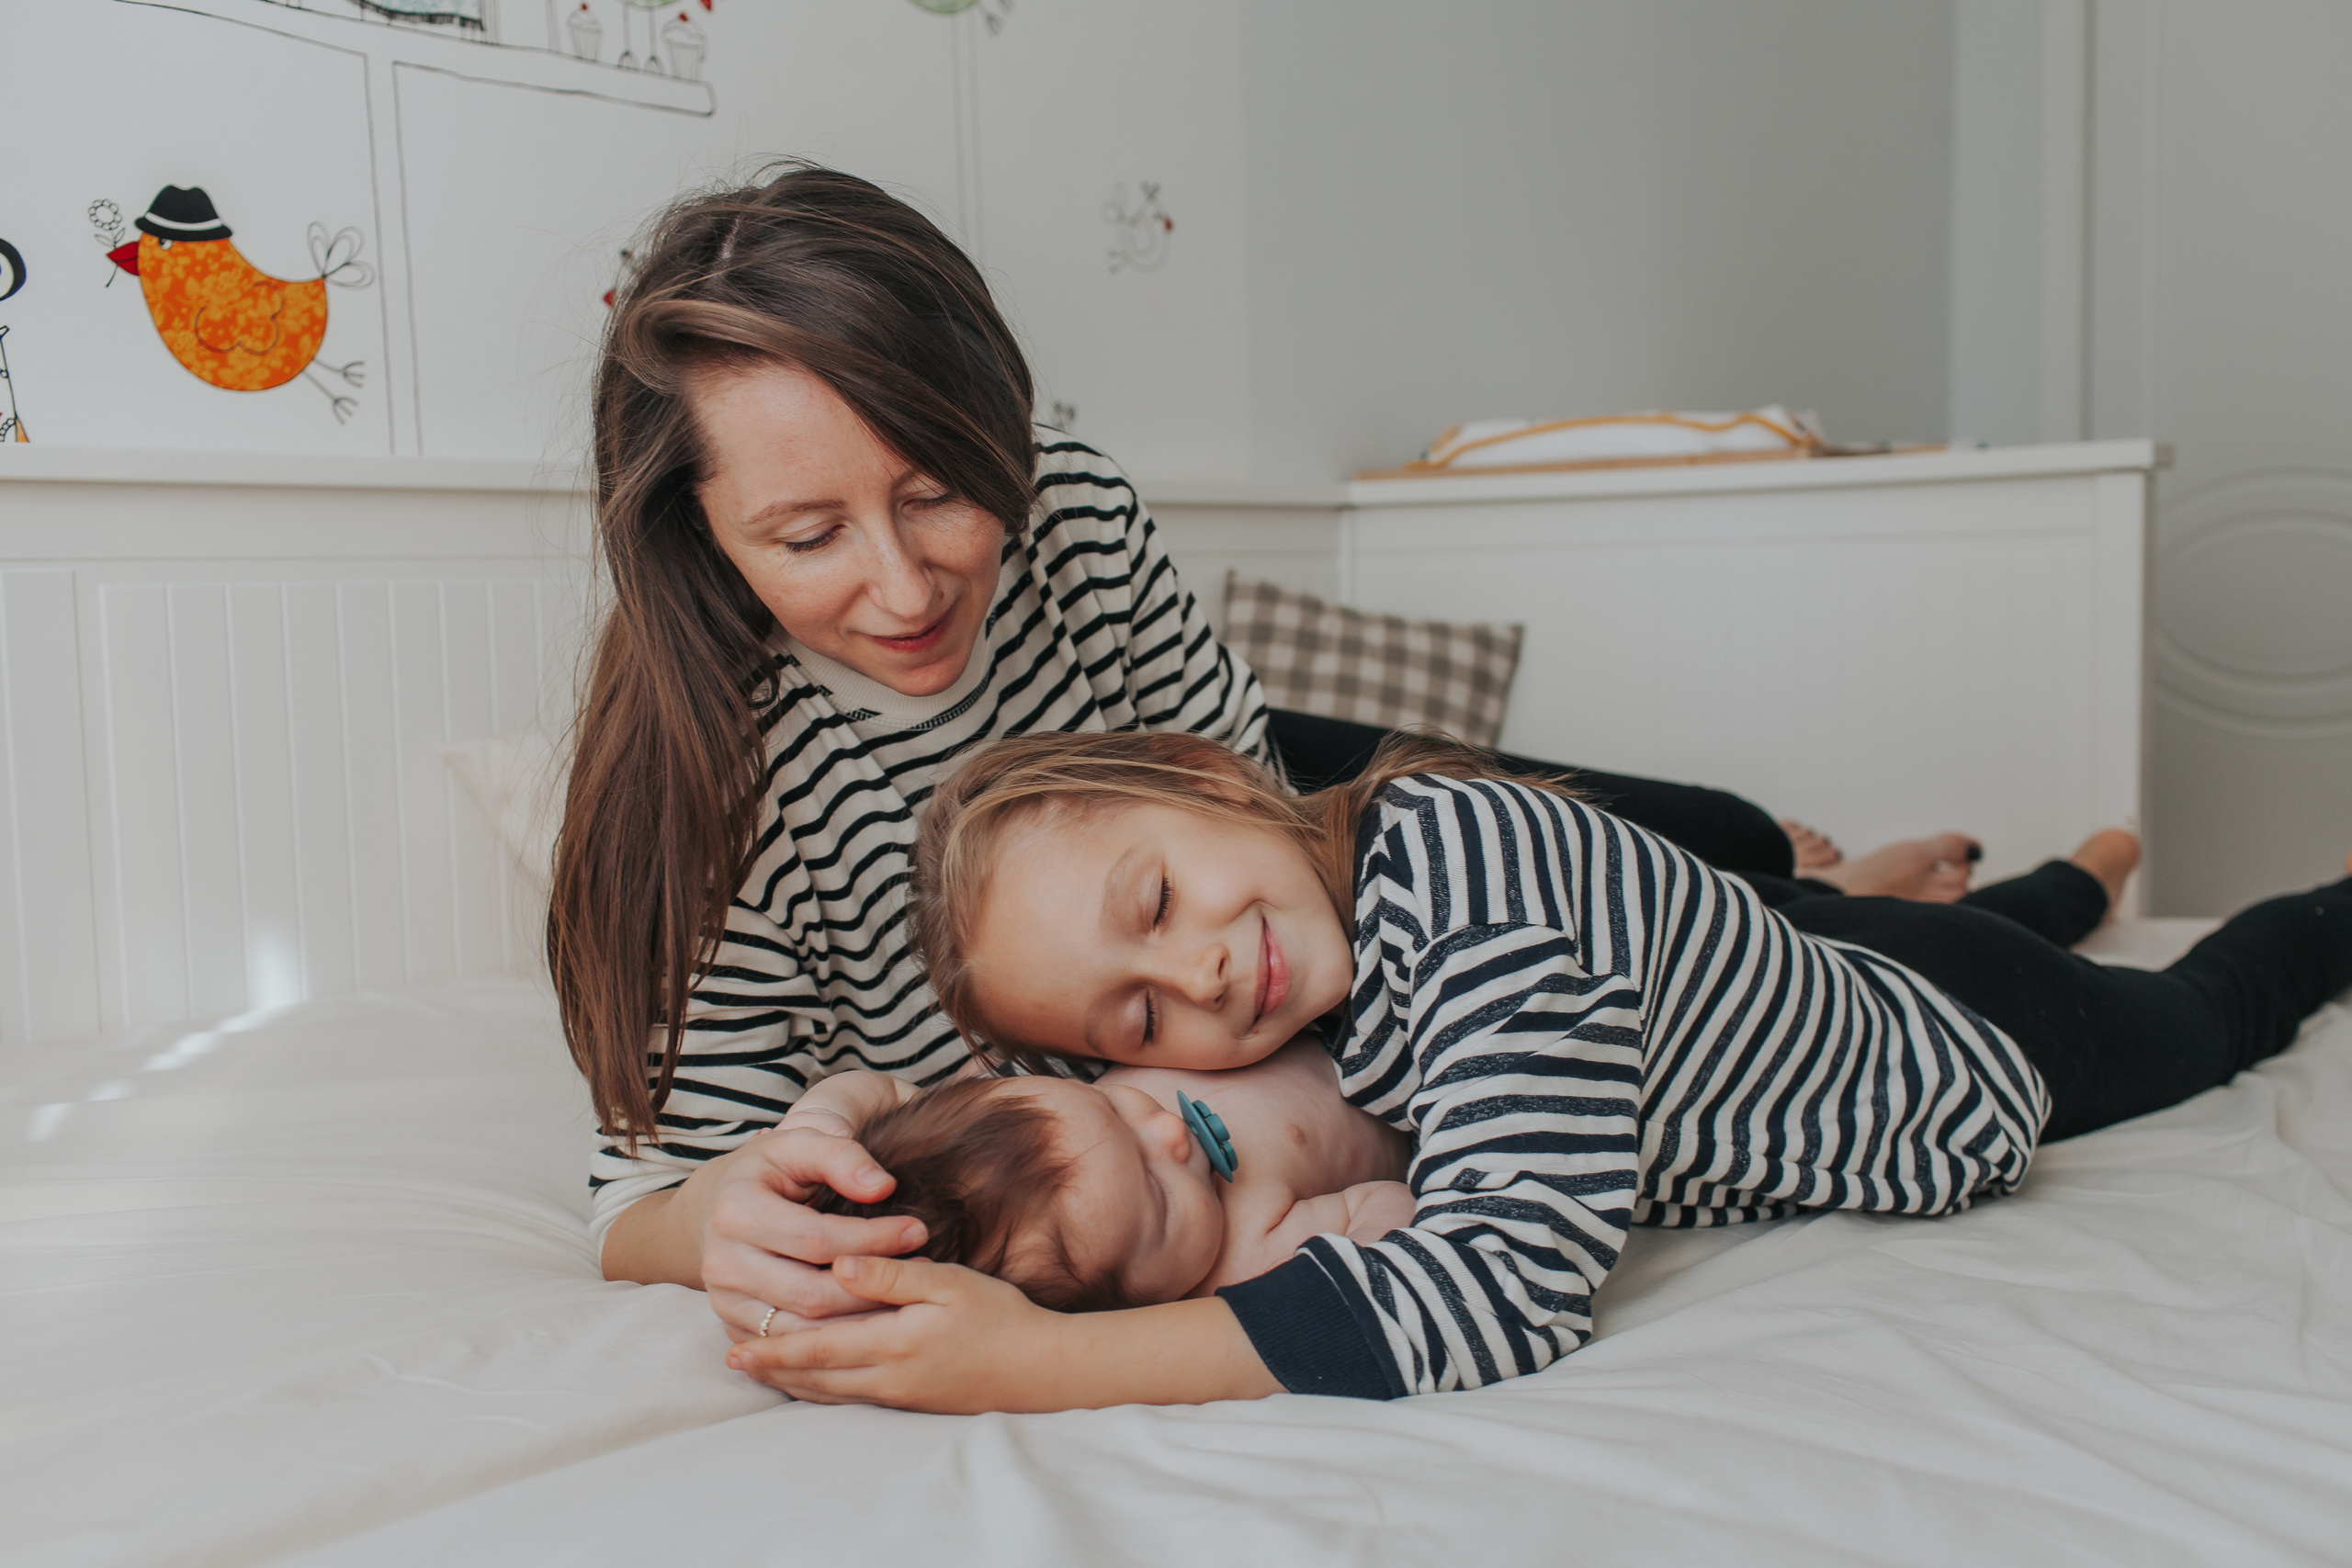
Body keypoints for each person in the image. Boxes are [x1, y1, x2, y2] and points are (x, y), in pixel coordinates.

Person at [558, 160, 1988, 1344]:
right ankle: (1849, 900)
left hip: (1218, 808)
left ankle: (1823, 882)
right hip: (1148, 939)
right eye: (809, 539)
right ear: (706, 541)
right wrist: (728, 1217)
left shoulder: (1073, 515)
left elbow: (1262, 804)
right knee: (1683, 882)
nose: (909, 585)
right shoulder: (707, 802)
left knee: (1697, 840)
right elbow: (647, 1193)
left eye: (940, 492)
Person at [718, 729, 2352, 1409]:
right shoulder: (1301, 938)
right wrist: (833, 1123)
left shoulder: (1476, 893)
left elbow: (1508, 1283)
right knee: (1972, 918)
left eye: (1159, 901)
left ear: (1219, 778)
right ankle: (2074, 871)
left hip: (1963, 1058)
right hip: (1770, 973)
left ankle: (2278, 904)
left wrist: (1043, 1362)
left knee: (2202, 1013)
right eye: (1136, 1019)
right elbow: (972, 1100)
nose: (1203, 974)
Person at [785, 1036, 1415, 1311]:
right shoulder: (1249, 1260)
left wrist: (817, 1127)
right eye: (1159, 1198)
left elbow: (880, 1090)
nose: (1170, 1130)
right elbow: (1389, 1205)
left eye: (1112, 1104)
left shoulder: (1042, 1128)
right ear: (1134, 1308)